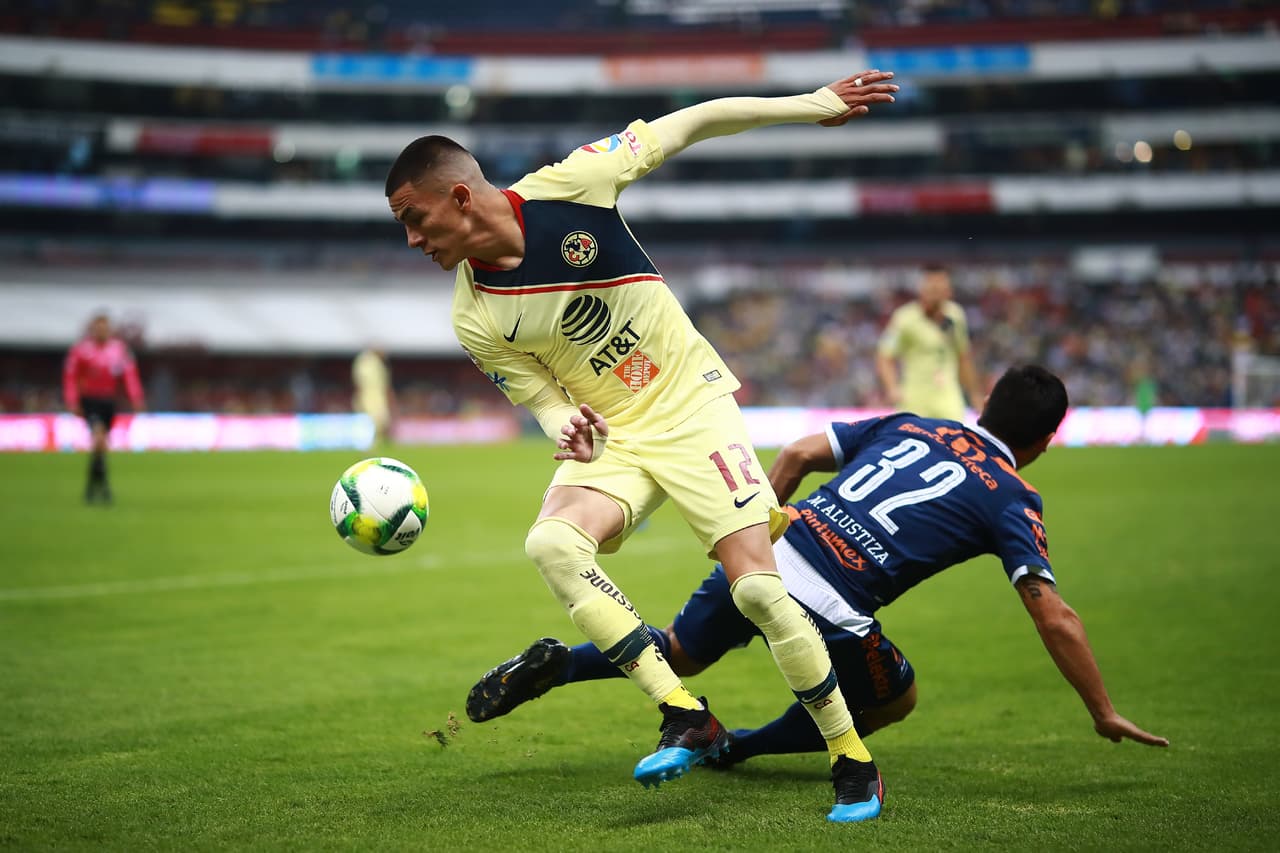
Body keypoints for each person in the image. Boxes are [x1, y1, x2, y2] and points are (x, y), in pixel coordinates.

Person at [386, 70, 900, 822]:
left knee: (756, 589)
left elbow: (693, 120)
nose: (411, 239)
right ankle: (685, 711)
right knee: (554, 545)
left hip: (692, 405)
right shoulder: (474, 317)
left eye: (414, 216)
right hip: (616, 436)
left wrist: (811, 106)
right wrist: (562, 423)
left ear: (459, 196)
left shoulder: (573, 184)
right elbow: (542, 402)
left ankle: (852, 756)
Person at [466, 366, 1167, 782]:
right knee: (897, 699)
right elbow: (1053, 613)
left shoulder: (912, 423)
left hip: (768, 555)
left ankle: (560, 666)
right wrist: (1102, 711)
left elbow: (800, 450)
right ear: (1043, 441)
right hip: (835, 603)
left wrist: (758, 525)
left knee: (675, 649)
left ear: (986, 402)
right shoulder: (1012, 495)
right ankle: (735, 747)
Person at [876, 265, 985, 420]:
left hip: (948, 397)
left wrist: (975, 393)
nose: (936, 295)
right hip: (914, 399)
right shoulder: (905, 318)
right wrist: (892, 388)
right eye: (932, 289)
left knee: (953, 441)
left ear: (948, 292)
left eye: (940, 289)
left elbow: (963, 357)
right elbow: (884, 356)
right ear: (922, 291)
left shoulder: (955, 315)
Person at [62, 312, 145, 504]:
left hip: (109, 401)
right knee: (99, 440)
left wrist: (136, 397)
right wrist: (72, 400)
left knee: (101, 445)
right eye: (98, 327)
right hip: (90, 401)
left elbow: (129, 375)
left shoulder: (118, 350)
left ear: (109, 329)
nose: (102, 331)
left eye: (105, 327)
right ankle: (105, 488)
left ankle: (92, 488)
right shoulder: (81, 350)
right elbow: (70, 377)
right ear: (93, 329)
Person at [352, 347, 395, 445]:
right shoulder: (365, 362)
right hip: (368, 396)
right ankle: (371, 442)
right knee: (373, 419)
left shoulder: (379, 364)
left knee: (382, 419)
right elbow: (360, 381)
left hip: (378, 396)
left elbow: (384, 383)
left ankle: (380, 440)